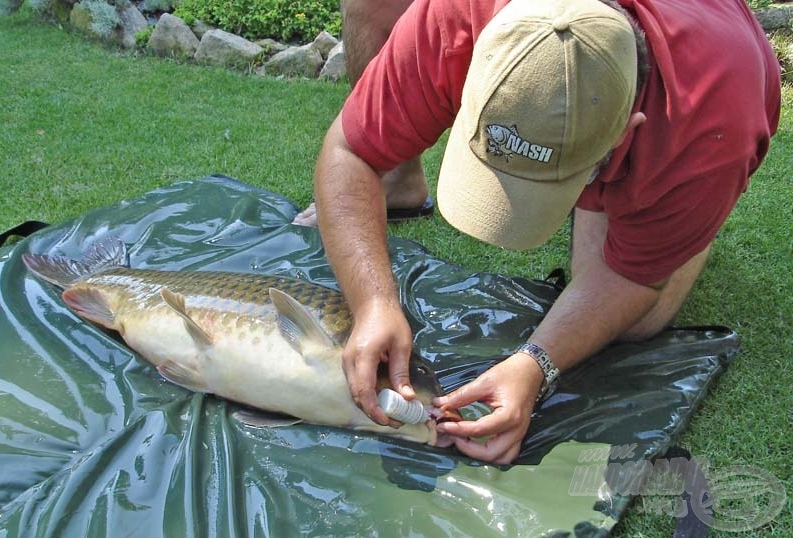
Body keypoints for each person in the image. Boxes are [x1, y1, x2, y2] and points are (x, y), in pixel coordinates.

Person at [297, 0, 781, 464]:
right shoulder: (460, 17)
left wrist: (535, 366)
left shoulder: (711, 123)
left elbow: (632, 279)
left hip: (698, 75)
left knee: (639, 320)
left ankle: (681, 222)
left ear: (626, 131)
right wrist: (373, 303)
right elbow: (350, 153)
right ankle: (408, 181)